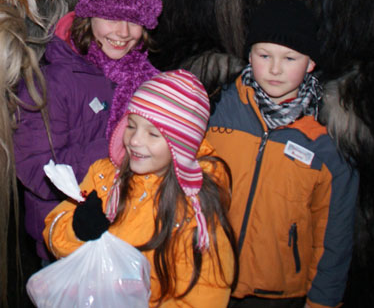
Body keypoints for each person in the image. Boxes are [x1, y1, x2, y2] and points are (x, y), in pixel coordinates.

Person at [204, 0, 358, 308]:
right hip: (207, 277)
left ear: (311, 63)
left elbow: (335, 232)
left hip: (277, 294)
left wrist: (323, 301)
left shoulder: (327, 141)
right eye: (264, 55)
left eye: (290, 58)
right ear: (249, 56)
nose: (275, 69)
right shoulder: (215, 109)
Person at [44, 69, 236, 307]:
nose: (134, 140)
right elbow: (53, 230)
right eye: (132, 125)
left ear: (182, 146)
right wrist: (76, 230)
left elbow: (203, 296)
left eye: (153, 134)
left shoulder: (195, 213)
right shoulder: (104, 176)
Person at [14, 0, 160, 261]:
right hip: (66, 235)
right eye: (110, 17)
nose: (122, 32)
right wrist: (113, 147)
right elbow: (34, 168)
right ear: (88, 15)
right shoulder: (51, 81)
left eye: (133, 20)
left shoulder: (147, 76)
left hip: (131, 231)